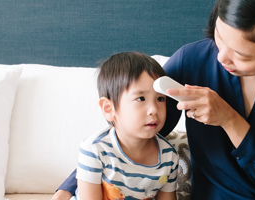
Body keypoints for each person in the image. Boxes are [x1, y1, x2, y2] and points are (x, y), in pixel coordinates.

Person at [53, 0, 255, 199]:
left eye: (242, 55)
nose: (221, 58)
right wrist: (71, 185)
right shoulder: (193, 60)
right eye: (219, 38)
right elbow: (133, 130)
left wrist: (230, 120)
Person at [69, 52, 178, 200]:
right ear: (109, 108)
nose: (154, 110)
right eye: (141, 98)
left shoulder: (168, 156)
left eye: (160, 98)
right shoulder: (95, 150)